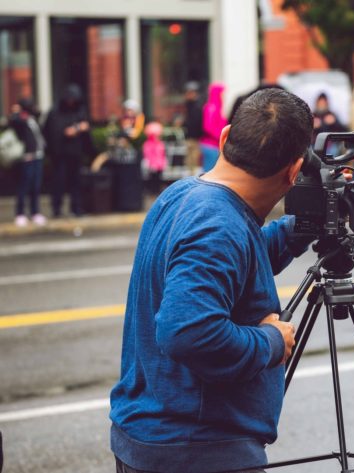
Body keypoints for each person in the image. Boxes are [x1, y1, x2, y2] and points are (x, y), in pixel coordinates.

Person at [109, 88, 315, 473]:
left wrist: (297, 231)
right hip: (196, 451)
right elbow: (187, 332)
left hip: (159, 439)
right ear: (293, 171)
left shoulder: (184, 194)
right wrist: (272, 341)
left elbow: (233, 265)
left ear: (223, 138)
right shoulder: (219, 226)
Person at [43, 84, 90, 217]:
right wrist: (75, 129)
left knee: (76, 182)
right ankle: (56, 209)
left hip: (75, 153)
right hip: (60, 155)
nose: (72, 102)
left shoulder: (79, 110)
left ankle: (76, 208)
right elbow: (53, 132)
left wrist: (81, 129)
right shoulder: (56, 112)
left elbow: (86, 128)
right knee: (59, 182)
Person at [9, 99, 47, 227]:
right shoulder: (20, 120)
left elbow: (39, 113)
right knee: (23, 186)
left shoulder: (32, 119)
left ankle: (35, 212)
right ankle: (20, 214)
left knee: (36, 186)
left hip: (38, 156)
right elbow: (12, 122)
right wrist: (16, 112)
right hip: (27, 157)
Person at [200, 82, 228, 172]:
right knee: (209, 171)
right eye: (222, 93)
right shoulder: (211, 108)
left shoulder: (217, 108)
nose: (223, 96)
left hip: (215, 145)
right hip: (210, 145)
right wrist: (221, 136)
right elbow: (208, 127)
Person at [183, 81, 204, 171]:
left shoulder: (197, 106)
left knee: (194, 163)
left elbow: (196, 122)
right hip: (190, 138)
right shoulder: (189, 105)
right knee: (189, 163)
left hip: (196, 139)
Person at [143, 122, 166, 194]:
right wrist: (151, 164)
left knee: (158, 179)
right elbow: (148, 155)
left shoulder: (160, 143)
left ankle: (157, 191)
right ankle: (152, 191)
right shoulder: (148, 144)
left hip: (160, 165)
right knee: (152, 179)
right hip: (153, 165)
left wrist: (163, 163)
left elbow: (162, 154)